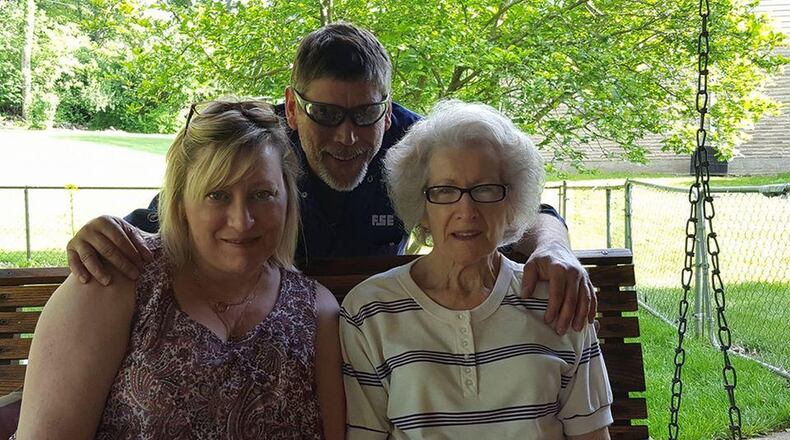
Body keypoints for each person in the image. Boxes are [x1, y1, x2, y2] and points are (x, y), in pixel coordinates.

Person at [65, 22, 595, 335]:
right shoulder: (260, 151)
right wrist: (104, 230)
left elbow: (510, 209)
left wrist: (557, 248)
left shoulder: (422, 147)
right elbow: (167, 222)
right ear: (293, 108)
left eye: (366, 114)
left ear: (388, 110)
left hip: (389, 330)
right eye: (326, 114)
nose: (347, 136)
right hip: (282, 332)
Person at [14, 101, 345, 439]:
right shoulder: (116, 280)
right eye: (217, 195)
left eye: (262, 194)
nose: (241, 221)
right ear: (181, 202)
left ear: (287, 198)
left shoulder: (315, 311)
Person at [341, 100, 613, 439]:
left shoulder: (557, 297)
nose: (466, 209)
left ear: (512, 204)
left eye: (485, 190)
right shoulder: (370, 311)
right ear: (421, 206)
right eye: (445, 191)